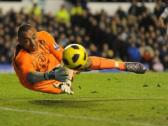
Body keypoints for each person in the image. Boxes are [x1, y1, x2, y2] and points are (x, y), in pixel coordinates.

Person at [12, 24, 146, 95]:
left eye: (34, 37)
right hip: (40, 82)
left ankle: (123, 65)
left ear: (37, 33)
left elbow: (61, 55)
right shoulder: (22, 57)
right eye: (27, 41)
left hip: (53, 67)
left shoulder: (44, 36)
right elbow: (31, 77)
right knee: (60, 90)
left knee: (83, 62)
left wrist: (71, 65)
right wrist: (51, 75)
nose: (33, 43)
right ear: (20, 42)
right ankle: (65, 83)